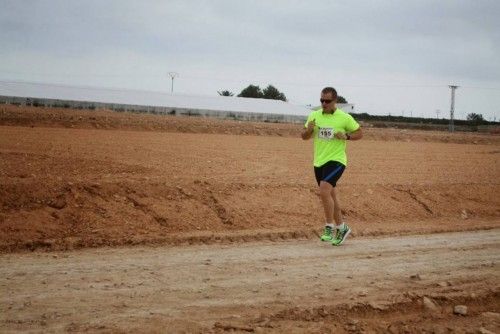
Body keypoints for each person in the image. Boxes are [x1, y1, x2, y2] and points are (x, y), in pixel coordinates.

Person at [301, 87, 362, 246]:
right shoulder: (314, 115)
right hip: (319, 161)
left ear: (335, 101)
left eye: (327, 101)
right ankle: (342, 228)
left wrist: (347, 136)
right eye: (321, 100)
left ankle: (329, 226)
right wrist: (309, 130)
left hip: (337, 160)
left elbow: (360, 133)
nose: (324, 103)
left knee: (324, 189)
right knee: (331, 196)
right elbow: (304, 137)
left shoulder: (344, 117)